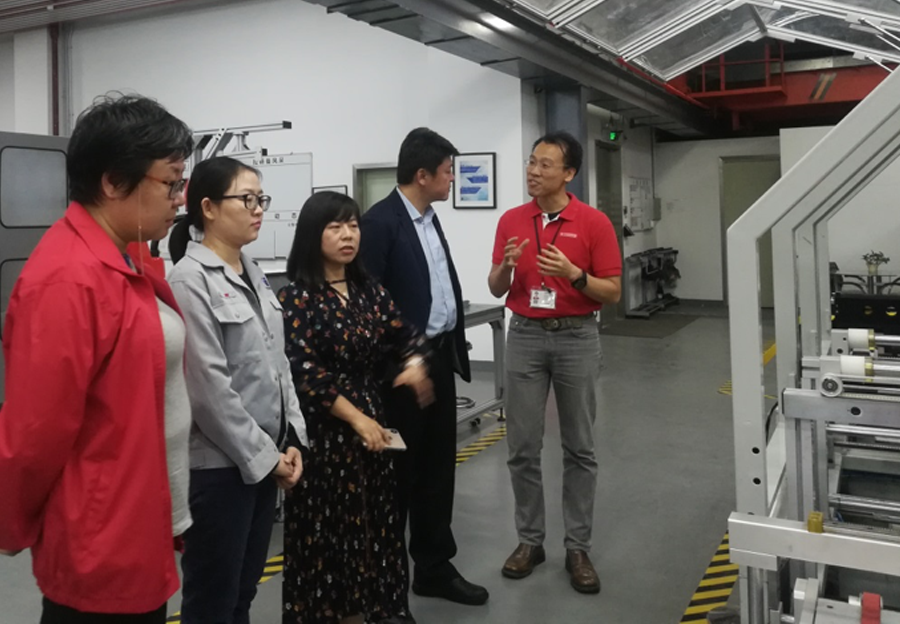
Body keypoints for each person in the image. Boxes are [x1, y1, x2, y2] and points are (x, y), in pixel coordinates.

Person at [0, 93, 193, 623]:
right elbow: (34, 432)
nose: (180, 199)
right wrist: (11, 523)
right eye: (171, 183)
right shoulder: (67, 279)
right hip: (101, 541)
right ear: (113, 181)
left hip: (137, 522)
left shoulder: (123, 256)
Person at [280, 191, 433, 624]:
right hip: (327, 433)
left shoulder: (369, 290)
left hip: (371, 431)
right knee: (331, 533)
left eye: (353, 225)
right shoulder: (297, 299)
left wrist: (415, 363)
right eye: (335, 227)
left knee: (373, 526)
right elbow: (306, 375)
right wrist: (357, 418)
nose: (348, 235)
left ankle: (371, 609)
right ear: (313, 235)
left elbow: (407, 335)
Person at [167, 156, 307, 624]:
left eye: (260, 199)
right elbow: (209, 392)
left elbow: (279, 364)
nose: (258, 209)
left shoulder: (253, 271)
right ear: (208, 207)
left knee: (242, 594)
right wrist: (267, 459)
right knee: (213, 601)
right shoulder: (190, 280)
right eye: (246, 199)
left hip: (264, 459)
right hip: (220, 469)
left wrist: (292, 438)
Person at [359, 128, 489, 606]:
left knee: (437, 470)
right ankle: (387, 582)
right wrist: (403, 360)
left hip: (436, 359)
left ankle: (433, 567)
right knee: (399, 477)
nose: (452, 178)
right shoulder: (380, 224)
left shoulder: (430, 219)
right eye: (447, 171)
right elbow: (369, 306)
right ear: (422, 175)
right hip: (400, 373)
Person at [488, 131, 622, 595]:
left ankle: (577, 548)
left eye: (545, 164)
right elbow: (495, 287)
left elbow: (612, 292)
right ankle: (530, 541)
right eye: (531, 162)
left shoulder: (594, 223)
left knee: (579, 448)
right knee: (522, 446)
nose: (533, 171)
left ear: (569, 173)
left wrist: (574, 275)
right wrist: (506, 267)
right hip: (525, 335)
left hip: (577, 337)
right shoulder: (511, 220)